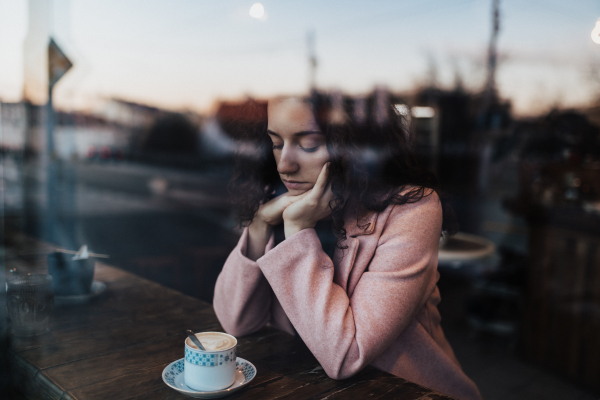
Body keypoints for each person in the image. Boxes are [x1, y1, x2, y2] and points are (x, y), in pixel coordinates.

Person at [213, 93, 482, 400]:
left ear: (354, 144)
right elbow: (236, 322)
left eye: (309, 144)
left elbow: (346, 355)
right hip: (305, 385)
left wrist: (299, 231)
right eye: (276, 143)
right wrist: (259, 225)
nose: (285, 164)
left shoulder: (412, 209)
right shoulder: (278, 199)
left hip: (406, 391)